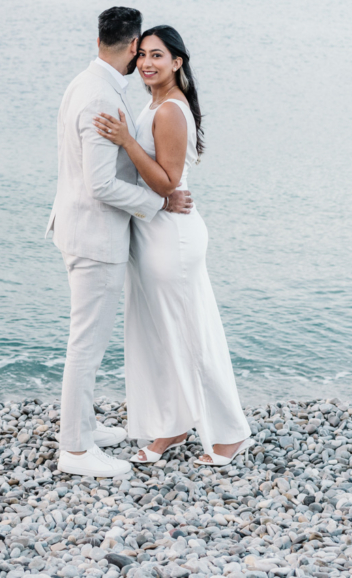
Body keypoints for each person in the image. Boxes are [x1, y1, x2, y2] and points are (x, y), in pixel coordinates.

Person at [93, 25, 252, 467]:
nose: (146, 62)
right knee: (157, 338)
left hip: (171, 238)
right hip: (151, 232)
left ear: (177, 62)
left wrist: (124, 140)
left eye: (157, 55)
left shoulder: (169, 111)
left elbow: (165, 181)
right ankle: (171, 426)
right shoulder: (154, 104)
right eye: (142, 54)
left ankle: (229, 433)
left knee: (189, 336)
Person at [47, 7, 194, 478]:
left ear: (100, 40)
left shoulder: (84, 83)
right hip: (95, 235)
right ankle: (73, 449)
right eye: (143, 51)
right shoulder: (100, 97)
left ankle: (83, 427)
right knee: (86, 344)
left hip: (79, 227)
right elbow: (101, 185)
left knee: (86, 340)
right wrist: (159, 203)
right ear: (133, 48)